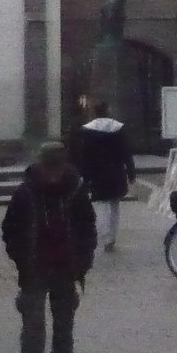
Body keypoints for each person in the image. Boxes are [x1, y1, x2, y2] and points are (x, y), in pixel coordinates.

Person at [0, 140, 95, 353]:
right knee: (33, 321)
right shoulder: (25, 192)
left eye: (57, 168)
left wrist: (83, 260)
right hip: (35, 267)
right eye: (49, 168)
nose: (54, 174)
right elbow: (10, 229)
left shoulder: (75, 189)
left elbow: (88, 226)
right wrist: (20, 258)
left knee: (64, 320)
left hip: (67, 266)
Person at [69, 101, 135, 253]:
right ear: (108, 111)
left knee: (102, 205)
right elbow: (127, 153)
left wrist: (83, 175)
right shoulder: (119, 128)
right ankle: (112, 235)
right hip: (117, 172)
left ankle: (106, 237)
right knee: (114, 204)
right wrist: (131, 174)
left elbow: (83, 156)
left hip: (97, 173)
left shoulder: (87, 130)